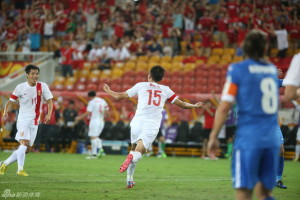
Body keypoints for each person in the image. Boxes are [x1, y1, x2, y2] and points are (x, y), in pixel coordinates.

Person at [103, 65, 204, 189]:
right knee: (139, 152)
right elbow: (182, 105)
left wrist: (108, 90)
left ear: (149, 75)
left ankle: (129, 180)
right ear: (161, 78)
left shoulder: (140, 85)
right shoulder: (166, 89)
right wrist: (195, 106)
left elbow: (119, 96)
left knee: (133, 148)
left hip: (136, 122)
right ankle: (131, 157)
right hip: (151, 124)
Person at [207, 30, 280, 200]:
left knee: (244, 191)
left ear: (244, 48)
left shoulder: (237, 69)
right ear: (265, 48)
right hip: (271, 138)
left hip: (249, 138)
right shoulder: (270, 70)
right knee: (265, 193)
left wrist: (213, 136)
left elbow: (224, 106)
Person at [0, 64, 53, 176]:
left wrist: (49, 114)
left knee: (26, 149)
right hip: (23, 120)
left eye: (37, 73)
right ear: (27, 75)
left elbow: (49, 101)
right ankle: (20, 170)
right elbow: (10, 101)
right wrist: (5, 111)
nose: (35, 76)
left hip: (35, 122)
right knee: (24, 143)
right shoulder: (20, 87)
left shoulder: (43, 86)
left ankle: (4, 163)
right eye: (33, 73)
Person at [75, 91, 109, 159]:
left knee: (93, 137)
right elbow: (107, 113)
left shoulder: (92, 102)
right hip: (101, 121)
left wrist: (79, 118)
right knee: (95, 137)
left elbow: (88, 112)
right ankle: (100, 151)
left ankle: (95, 154)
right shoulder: (103, 101)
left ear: (90, 96)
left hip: (94, 120)